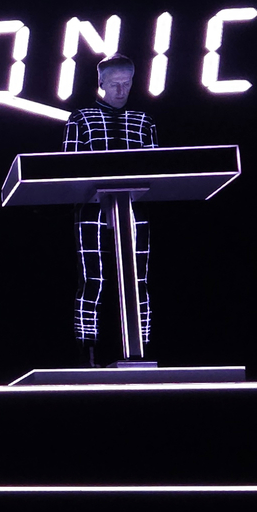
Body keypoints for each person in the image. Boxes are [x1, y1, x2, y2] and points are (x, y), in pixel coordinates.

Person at [65, 54, 158, 366]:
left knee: (138, 282)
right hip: (91, 210)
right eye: (115, 83)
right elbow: (66, 169)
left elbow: (158, 169)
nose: (120, 90)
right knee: (93, 281)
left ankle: (141, 350)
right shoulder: (81, 119)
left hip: (135, 207)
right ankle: (87, 354)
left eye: (126, 83)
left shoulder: (144, 121)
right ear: (101, 82)